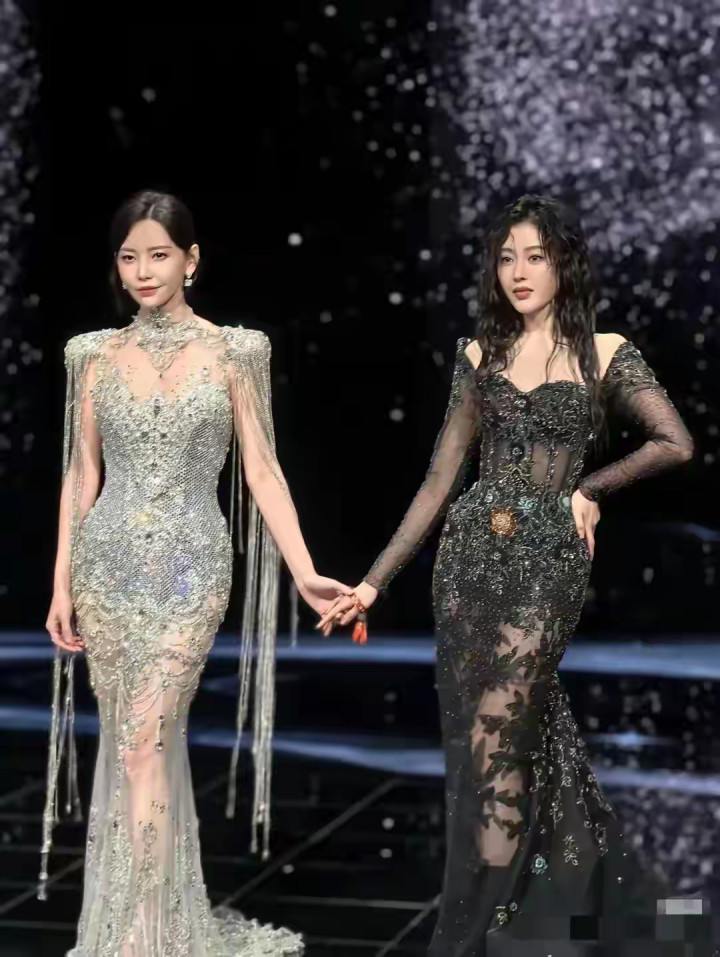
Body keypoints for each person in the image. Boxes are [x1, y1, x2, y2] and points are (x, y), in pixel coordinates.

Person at [318, 195, 695, 955]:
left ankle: (488, 932)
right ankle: (532, 920)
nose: (519, 271)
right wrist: (372, 583)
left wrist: (592, 488)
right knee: (488, 748)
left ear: (565, 264)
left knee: (500, 738)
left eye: (536, 256)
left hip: (548, 568)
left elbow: (673, 442)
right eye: (506, 257)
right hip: (467, 567)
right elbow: (438, 482)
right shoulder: (478, 356)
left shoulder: (602, 351)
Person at [41, 189, 350, 955]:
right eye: (129, 257)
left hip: (191, 569)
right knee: (133, 743)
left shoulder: (235, 351)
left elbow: (263, 471)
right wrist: (60, 583)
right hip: (106, 568)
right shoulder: (91, 354)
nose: (143, 271)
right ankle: (148, 925)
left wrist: (305, 569)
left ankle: (146, 936)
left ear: (191, 259)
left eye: (159, 254)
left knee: (147, 738)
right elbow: (81, 473)